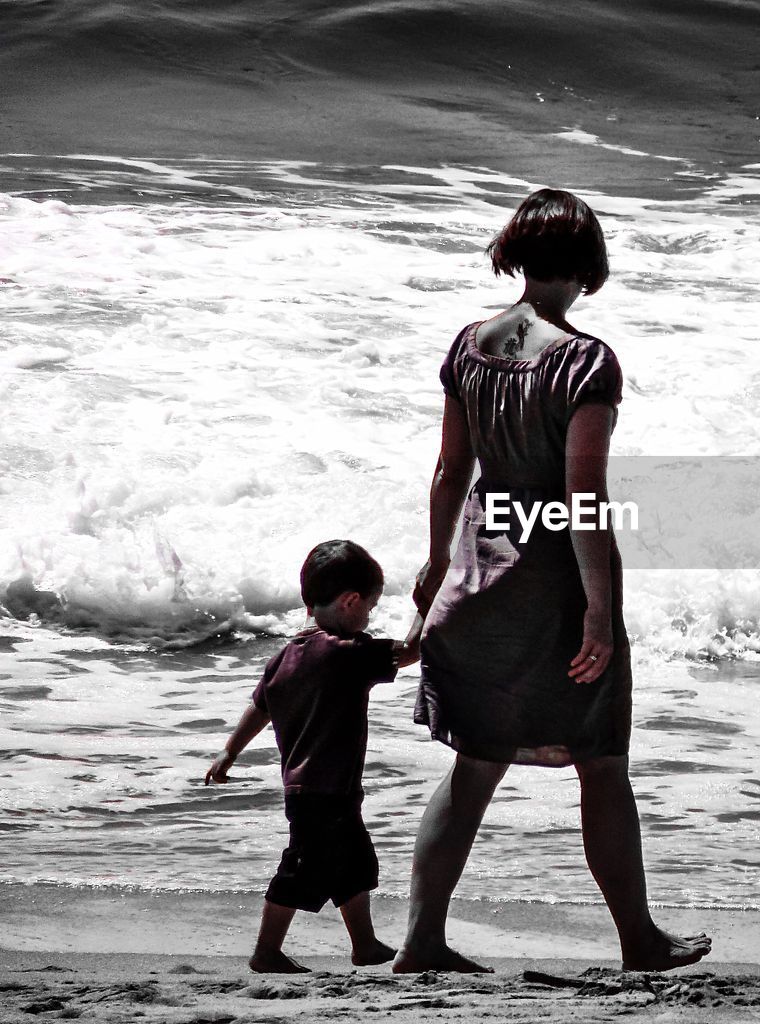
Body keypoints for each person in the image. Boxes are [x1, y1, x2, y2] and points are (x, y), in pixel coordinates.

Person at [394, 188, 711, 974]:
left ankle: (421, 941)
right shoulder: (584, 360)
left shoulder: (469, 344)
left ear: (518, 254)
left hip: (475, 579)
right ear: (588, 266)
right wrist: (600, 615)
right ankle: (638, 939)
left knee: (473, 768)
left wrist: (437, 572)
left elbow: (447, 473)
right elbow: (583, 499)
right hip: (551, 588)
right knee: (601, 761)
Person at [205, 539, 423, 974]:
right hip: (324, 788)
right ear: (350, 601)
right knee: (303, 869)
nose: (369, 618)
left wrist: (229, 752)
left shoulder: (286, 655)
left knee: (354, 864)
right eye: (371, 608)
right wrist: (425, 601)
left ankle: (364, 945)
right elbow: (410, 651)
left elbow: (260, 706)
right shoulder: (347, 653)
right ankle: (266, 952)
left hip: (314, 786)